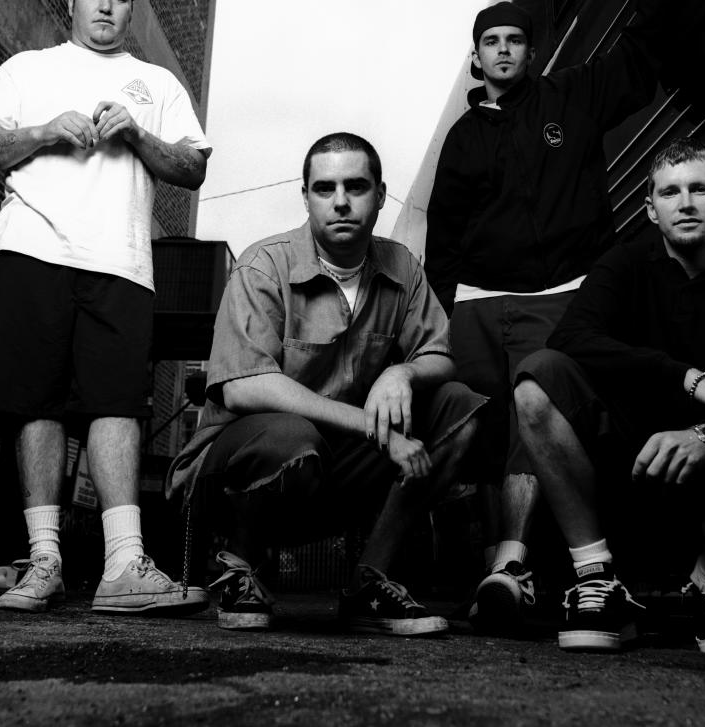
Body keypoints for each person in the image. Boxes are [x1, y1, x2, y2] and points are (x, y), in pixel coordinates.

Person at [424, 0, 704, 631]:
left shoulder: (569, 98)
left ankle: (516, 564)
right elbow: (444, 234)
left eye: (516, 40)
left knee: (534, 406)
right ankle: (487, 563)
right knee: (472, 426)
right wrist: (439, 313)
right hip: (478, 301)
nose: (505, 51)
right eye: (492, 42)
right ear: (476, 57)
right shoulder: (462, 138)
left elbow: (636, 60)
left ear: (531, 51)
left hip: (557, 293)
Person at [0, 0, 213, 614]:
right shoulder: (27, 70)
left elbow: (190, 167)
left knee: (116, 402)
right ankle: (43, 560)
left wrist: (138, 138)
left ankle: (124, 564)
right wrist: (41, 132)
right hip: (30, 251)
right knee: (34, 400)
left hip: (120, 261)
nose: (104, 6)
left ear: (131, 6)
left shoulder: (157, 85)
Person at [167, 133, 486, 635]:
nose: (340, 201)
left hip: (335, 466)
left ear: (380, 194)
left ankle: (368, 581)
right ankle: (239, 565)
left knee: (458, 408)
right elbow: (245, 387)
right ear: (306, 196)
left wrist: (400, 371)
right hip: (236, 473)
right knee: (292, 436)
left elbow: (439, 355)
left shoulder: (402, 266)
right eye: (325, 188)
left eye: (356, 186)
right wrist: (372, 426)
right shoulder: (263, 265)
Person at [512, 138, 705, 655]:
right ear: (651, 209)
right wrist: (691, 378)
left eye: (700, 189)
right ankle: (597, 579)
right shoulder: (624, 266)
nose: (685, 203)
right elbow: (570, 339)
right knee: (537, 380)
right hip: (628, 460)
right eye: (670, 192)